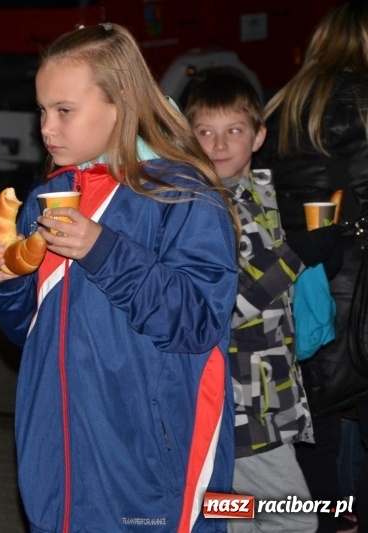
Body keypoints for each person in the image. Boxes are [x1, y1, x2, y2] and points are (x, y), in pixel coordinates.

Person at [0, 23, 239, 532]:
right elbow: (30, 334)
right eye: (42, 111)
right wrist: (6, 281)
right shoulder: (49, 197)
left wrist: (104, 250)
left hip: (149, 462)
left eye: (64, 111)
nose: (46, 128)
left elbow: (198, 322)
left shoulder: (182, 195)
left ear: (119, 104)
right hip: (58, 458)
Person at [253, 2, 368, 532]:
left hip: (305, 290)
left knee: (316, 422)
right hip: (361, 293)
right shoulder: (365, 105)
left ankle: (331, 522)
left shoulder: (285, 103)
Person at [184, 73, 316, 533]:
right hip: (242, 402)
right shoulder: (201, 208)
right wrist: (299, 253)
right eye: (205, 132)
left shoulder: (264, 194)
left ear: (258, 136)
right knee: (296, 519)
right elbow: (227, 305)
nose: (219, 144)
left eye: (234, 131)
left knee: (238, 511)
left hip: (270, 392)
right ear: (188, 136)